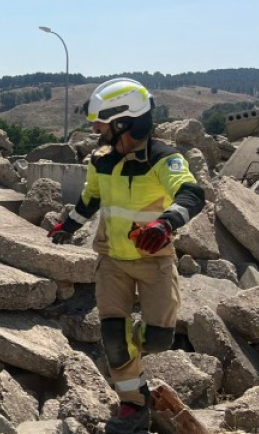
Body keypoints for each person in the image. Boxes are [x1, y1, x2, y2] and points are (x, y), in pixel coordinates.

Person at [47, 78, 205, 434]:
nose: (97, 133)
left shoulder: (165, 158)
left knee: (160, 337)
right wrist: (67, 226)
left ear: (124, 122)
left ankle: (132, 344)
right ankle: (134, 406)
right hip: (112, 259)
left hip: (154, 258)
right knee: (114, 339)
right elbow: (90, 198)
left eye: (102, 126)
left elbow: (192, 193)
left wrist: (166, 224)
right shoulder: (101, 161)